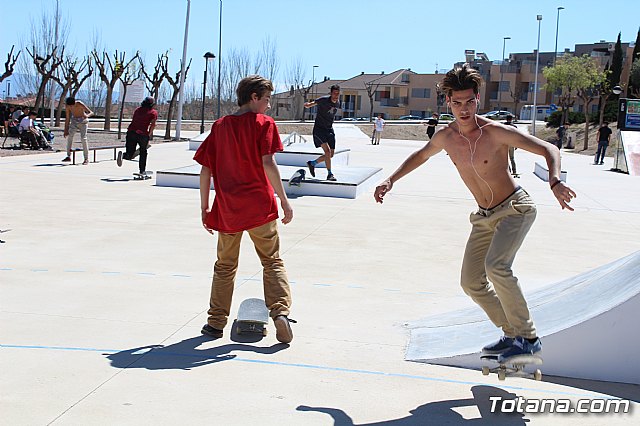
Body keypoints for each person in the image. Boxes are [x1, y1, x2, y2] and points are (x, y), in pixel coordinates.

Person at [374, 64, 576, 362]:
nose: (464, 109)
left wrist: (554, 180)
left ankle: (529, 338)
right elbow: (421, 155)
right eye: (457, 103)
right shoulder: (446, 137)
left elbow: (550, 149)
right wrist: (391, 179)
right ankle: (511, 333)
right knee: (471, 282)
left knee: (497, 267)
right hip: (484, 216)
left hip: (514, 208)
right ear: (448, 103)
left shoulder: (496, 132)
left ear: (477, 100)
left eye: (469, 102)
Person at [194, 75, 295, 343]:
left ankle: (215, 324)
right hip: (260, 207)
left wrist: (205, 208)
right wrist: (284, 200)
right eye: (267, 99)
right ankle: (280, 312)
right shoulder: (264, 124)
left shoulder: (220, 127)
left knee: (225, 266)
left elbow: (205, 171)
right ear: (254, 97)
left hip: (229, 210)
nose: (269, 106)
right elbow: (268, 163)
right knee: (271, 261)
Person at [304, 84, 341, 181]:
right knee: (327, 152)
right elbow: (315, 102)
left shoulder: (338, 103)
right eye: (334, 93)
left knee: (331, 154)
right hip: (319, 129)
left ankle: (312, 163)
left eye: (338, 94)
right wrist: (308, 105)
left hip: (329, 129)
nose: (336, 96)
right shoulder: (324, 100)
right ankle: (329, 174)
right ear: (331, 93)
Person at [117, 97, 158, 175]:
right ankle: (142, 171)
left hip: (131, 132)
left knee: (130, 154)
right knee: (143, 152)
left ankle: (124, 155)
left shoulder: (137, 110)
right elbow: (153, 125)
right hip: (142, 134)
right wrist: (148, 135)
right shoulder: (153, 112)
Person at [62, 97, 93, 165]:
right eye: (69, 106)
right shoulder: (67, 107)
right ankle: (68, 155)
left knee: (83, 138)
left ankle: (86, 158)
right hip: (74, 121)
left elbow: (91, 112)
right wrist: (65, 130)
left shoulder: (79, 103)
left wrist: (87, 116)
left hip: (83, 121)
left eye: (72, 106)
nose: (71, 107)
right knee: (70, 136)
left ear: (74, 103)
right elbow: (67, 118)